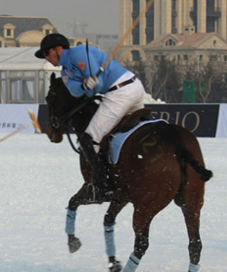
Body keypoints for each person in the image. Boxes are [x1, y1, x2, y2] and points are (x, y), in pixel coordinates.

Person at [36, 32, 146, 197]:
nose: (46, 58)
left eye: (47, 53)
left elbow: (99, 83)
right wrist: (85, 87)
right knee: (130, 133)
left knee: (88, 139)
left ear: (58, 49)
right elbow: (76, 92)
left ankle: (102, 186)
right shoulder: (65, 73)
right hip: (133, 88)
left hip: (120, 91)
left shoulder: (79, 53)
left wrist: (92, 84)